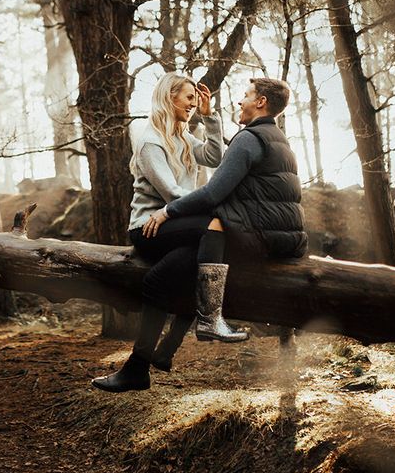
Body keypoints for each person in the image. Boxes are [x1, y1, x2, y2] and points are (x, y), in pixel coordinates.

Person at [143, 77, 308, 344]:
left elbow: (213, 193)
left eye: (246, 95)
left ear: (261, 102)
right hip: (289, 239)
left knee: (212, 231)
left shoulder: (248, 138)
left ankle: (207, 320)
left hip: (259, 236)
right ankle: (168, 349)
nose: (240, 100)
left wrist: (168, 212)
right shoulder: (279, 139)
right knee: (197, 253)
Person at [92, 72, 225, 393]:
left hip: (177, 226)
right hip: (149, 228)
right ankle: (195, 329)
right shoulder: (151, 139)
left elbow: (215, 156)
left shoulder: (182, 136)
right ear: (170, 97)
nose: (194, 103)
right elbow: (174, 195)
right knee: (217, 227)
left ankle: (142, 365)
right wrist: (212, 209)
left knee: (165, 277)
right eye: (189, 97)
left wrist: (211, 120)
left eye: (196, 98)